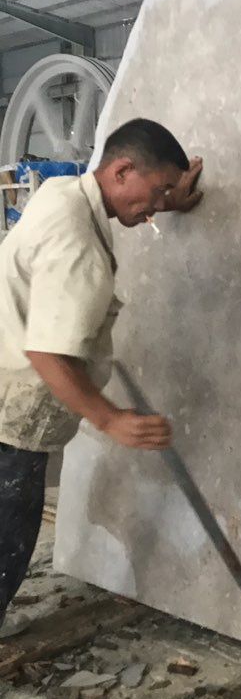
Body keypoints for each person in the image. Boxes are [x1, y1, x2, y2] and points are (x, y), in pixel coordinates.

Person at [0, 118, 203, 627]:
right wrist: (110, 419)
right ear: (123, 170)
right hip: (14, 409)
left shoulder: (64, 193)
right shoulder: (79, 246)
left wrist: (166, 201)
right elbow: (47, 353)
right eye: (158, 190)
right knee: (8, 537)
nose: (158, 204)